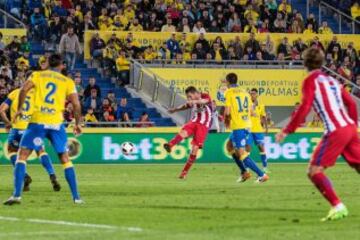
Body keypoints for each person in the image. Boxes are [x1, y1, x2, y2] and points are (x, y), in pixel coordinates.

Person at [276, 48, 360, 221]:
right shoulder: (332, 80)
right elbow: (351, 104)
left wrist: (287, 130)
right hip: (350, 128)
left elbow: (305, 107)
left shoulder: (310, 81)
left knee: (314, 170)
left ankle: (338, 206)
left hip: (335, 130)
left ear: (304, 63)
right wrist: (353, 125)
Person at [4, 54, 83, 205]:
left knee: (22, 156)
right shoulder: (67, 81)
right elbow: (76, 104)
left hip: (38, 121)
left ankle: (16, 195)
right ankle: (77, 197)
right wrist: (78, 123)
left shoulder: (37, 75)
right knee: (65, 159)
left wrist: (20, 108)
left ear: (48, 64)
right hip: (56, 123)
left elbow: (23, 90)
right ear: (61, 65)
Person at [0, 88, 61, 192]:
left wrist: (7, 123)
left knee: (12, 152)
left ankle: (25, 176)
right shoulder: (40, 95)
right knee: (41, 151)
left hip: (17, 129)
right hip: (33, 129)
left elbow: (1, 110)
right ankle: (52, 174)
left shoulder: (15, 93)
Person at [223, 73, 268, 183]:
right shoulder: (245, 92)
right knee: (229, 146)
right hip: (246, 124)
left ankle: (262, 175)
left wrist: (226, 120)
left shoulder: (228, 92)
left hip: (239, 126)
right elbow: (252, 111)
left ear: (228, 82)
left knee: (242, 153)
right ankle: (244, 172)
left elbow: (227, 111)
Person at [164, 86, 212, 179]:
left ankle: (184, 172)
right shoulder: (191, 101)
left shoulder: (205, 95)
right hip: (194, 121)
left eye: (190, 96)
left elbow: (204, 101)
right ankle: (170, 145)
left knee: (195, 148)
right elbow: (185, 106)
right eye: (187, 97)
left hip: (203, 125)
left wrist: (193, 101)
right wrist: (175, 110)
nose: (188, 98)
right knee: (183, 132)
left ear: (195, 93)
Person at [247, 88, 269, 172]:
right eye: (251, 93)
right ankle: (247, 168)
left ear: (257, 95)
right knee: (248, 148)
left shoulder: (261, 105)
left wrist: (266, 128)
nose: (252, 95)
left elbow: (263, 117)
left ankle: (265, 167)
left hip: (258, 130)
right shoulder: (247, 104)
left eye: (253, 93)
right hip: (248, 129)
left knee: (261, 147)